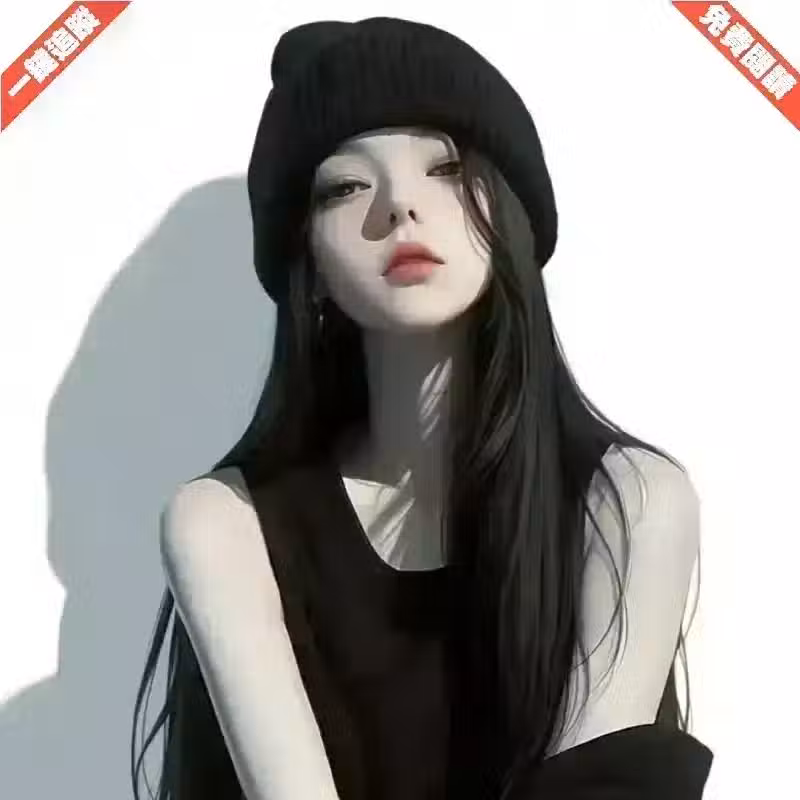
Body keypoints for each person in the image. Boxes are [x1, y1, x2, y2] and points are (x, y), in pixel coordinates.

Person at [131, 17, 714, 800]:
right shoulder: (224, 524)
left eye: (446, 168)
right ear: (308, 260)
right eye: (345, 187)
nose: (401, 205)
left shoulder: (629, 502)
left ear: (509, 213)